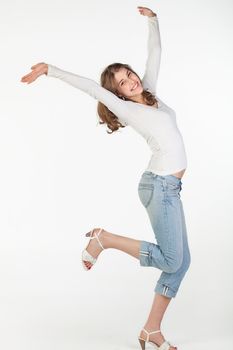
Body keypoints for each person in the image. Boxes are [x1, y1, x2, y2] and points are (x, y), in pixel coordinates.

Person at [21, 6, 191, 350]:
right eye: (123, 84)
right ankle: (105, 239)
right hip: (159, 187)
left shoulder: (152, 95)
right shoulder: (128, 109)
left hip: (169, 187)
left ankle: (151, 331)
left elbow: (155, 54)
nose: (132, 82)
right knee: (173, 259)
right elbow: (90, 88)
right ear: (119, 94)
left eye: (130, 75)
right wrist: (50, 70)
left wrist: (153, 21)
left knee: (179, 263)